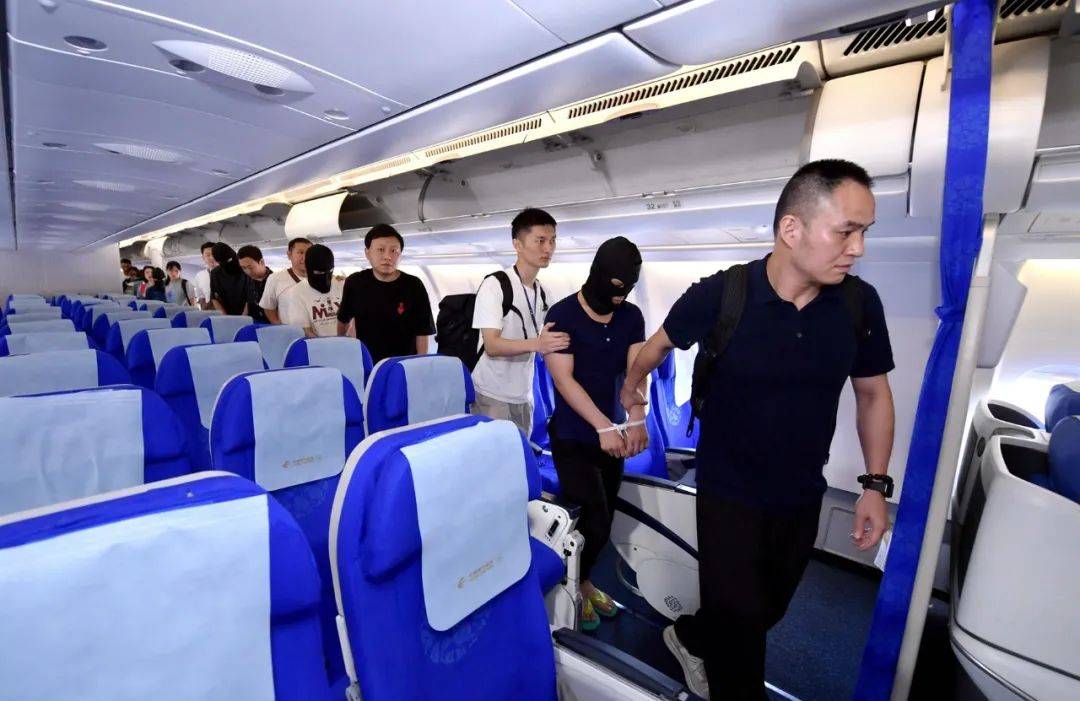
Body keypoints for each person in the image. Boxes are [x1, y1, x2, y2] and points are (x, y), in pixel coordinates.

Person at [619, 160, 896, 700]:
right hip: (728, 489)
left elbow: (873, 394)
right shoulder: (723, 295)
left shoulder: (859, 305)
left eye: (864, 232)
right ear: (791, 228)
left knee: (767, 608)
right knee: (742, 630)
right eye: (846, 231)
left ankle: (690, 636)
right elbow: (653, 349)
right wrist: (632, 393)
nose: (858, 248)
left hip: (801, 490)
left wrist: (874, 486)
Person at [545, 236, 647, 631]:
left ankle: (582, 581)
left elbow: (636, 369)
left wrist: (636, 417)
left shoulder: (631, 316)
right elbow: (564, 380)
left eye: (628, 289)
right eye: (615, 287)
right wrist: (602, 425)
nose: (619, 297)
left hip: (613, 433)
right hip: (574, 434)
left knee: (607, 514)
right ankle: (573, 586)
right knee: (594, 521)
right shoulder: (563, 314)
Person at [471, 208, 568, 435]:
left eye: (553, 241)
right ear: (518, 245)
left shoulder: (543, 292)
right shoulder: (495, 285)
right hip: (491, 394)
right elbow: (492, 345)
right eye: (540, 241)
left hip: (524, 395)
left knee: (520, 454)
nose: (548, 248)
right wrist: (538, 344)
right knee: (495, 455)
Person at [335, 224, 434, 363]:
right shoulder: (355, 282)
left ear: (400, 255)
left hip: (403, 364)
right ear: (367, 253)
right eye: (381, 250)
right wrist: (341, 348)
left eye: (394, 251)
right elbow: (343, 319)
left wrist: (420, 364)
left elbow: (422, 332)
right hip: (367, 363)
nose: (387, 256)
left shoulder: (414, 285)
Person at [278, 244, 343, 337]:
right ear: (308, 269)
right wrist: (329, 344)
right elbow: (305, 331)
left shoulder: (342, 285)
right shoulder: (296, 293)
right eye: (319, 272)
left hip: (348, 342)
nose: (325, 277)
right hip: (318, 344)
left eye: (330, 271)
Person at [259, 237, 311, 324]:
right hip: (292, 331)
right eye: (301, 253)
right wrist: (280, 327)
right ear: (289, 255)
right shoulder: (275, 278)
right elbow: (268, 307)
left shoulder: (323, 278)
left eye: (309, 253)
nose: (305, 257)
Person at [209, 242, 249, 316]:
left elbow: (251, 296)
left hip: (249, 314)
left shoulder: (245, 269)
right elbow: (214, 298)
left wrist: (243, 317)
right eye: (224, 262)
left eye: (230, 260)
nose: (228, 263)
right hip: (227, 314)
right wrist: (226, 317)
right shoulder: (215, 273)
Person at [237, 245, 273, 324]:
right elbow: (249, 301)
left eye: (250, 267)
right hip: (254, 324)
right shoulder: (248, 280)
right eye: (243, 268)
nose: (247, 271)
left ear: (261, 262)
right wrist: (241, 321)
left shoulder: (275, 281)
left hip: (271, 325)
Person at [193, 242, 216, 310]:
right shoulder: (199, 276)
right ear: (203, 257)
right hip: (210, 312)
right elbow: (201, 297)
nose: (212, 257)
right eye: (208, 255)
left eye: (214, 254)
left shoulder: (229, 273)